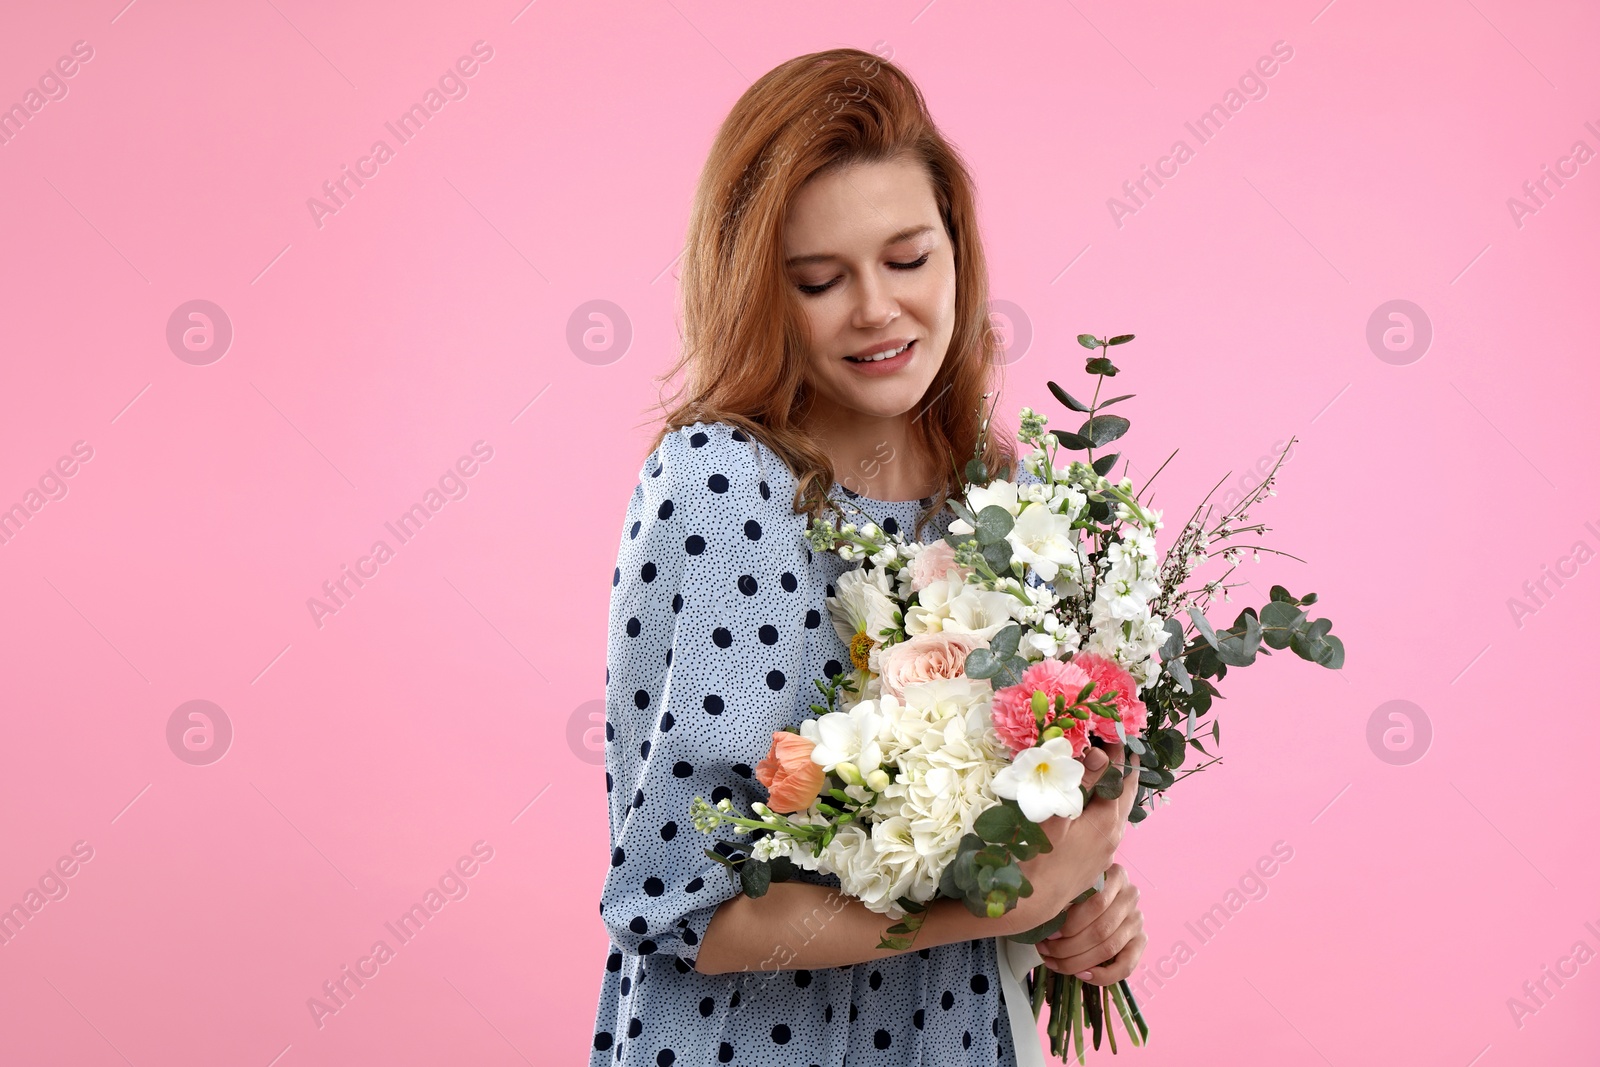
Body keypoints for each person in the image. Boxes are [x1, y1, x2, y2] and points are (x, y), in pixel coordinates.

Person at [590, 48, 1146, 1067]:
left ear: (957, 252)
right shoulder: (720, 483)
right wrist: (1007, 898)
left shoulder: (1000, 494)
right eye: (819, 279)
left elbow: (1024, 836)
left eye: (907, 257)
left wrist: (1082, 914)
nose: (877, 308)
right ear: (762, 289)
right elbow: (676, 903)